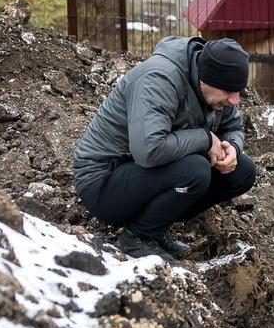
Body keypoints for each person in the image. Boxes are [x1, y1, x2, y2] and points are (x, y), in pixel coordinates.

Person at [73, 36, 257, 262]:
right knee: (196, 170)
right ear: (206, 79)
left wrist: (233, 150)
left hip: (143, 176)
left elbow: (234, 126)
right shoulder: (158, 79)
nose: (235, 100)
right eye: (230, 91)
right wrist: (205, 139)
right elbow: (149, 150)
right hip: (103, 182)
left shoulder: (215, 92)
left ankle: (155, 227)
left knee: (242, 172)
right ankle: (136, 239)